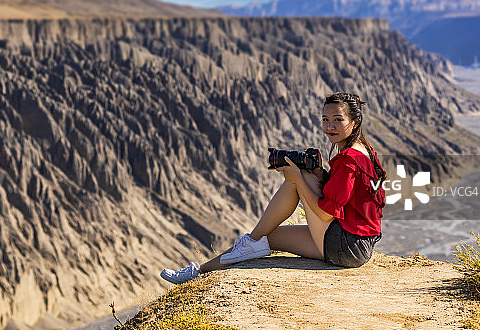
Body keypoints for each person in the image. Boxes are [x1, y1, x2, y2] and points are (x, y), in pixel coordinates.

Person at [160, 92, 386, 284]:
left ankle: (250, 241)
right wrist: (320, 174)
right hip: (358, 246)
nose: (330, 126)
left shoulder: (348, 160)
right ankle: (198, 272)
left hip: (346, 246)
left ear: (355, 121)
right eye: (325, 119)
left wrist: (299, 180)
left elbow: (327, 213)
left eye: (338, 119)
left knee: (296, 178)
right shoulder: (364, 150)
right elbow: (351, 199)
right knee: (269, 237)